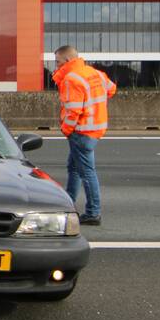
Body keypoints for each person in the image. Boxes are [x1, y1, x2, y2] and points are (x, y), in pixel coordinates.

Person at [52, 45, 110, 225]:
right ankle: (68, 201)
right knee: (75, 167)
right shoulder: (95, 73)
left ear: (68, 60)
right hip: (95, 128)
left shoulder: (71, 78)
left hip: (81, 131)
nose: (57, 66)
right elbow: (111, 89)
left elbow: (73, 111)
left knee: (86, 172)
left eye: (58, 62)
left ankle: (93, 212)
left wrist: (66, 129)